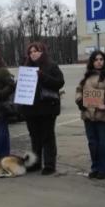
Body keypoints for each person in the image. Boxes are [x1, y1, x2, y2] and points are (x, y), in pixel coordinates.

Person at [19, 42, 65, 175]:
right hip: (30, 109)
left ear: (42, 52)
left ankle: (50, 164)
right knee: (35, 137)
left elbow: (59, 83)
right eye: (31, 52)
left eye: (36, 51)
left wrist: (43, 76)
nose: (33, 54)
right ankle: (35, 163)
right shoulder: (26, 68)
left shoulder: (51, 66)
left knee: (47, 137)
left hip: (47, 108)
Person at [75, 50, 105, 180]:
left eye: (101, 59)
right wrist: (80, 101)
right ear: (92, 62)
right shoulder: (86, 77)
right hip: (88, 115)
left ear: (104, 61)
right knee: (93, 143)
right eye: (96, 59)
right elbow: (79, 90)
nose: (99, 62)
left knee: (104, 144)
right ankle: (95, 167)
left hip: (104, 116)